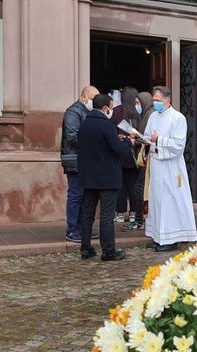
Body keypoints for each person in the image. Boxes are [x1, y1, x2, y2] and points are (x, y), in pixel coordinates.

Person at [77, 93, 133, 261]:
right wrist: (127, 142)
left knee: (87, 213)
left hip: (88, 177)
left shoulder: (85, 124)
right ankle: (108, 251)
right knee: (107, 216)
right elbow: (119, 149)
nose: (111, 110)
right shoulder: (107, 125)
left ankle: (85, 248)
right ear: (104, 108)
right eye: (110, 107)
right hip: (107, 178)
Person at [143, 86, 197, 252]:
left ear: (168, 100)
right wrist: (140, 139)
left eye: (158, 100)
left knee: (170, 202)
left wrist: (158, 139)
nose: (155, 103)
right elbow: (147, 135)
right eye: (154, 100)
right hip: (157, 165)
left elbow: (178, 145)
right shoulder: (153, 116)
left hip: (172, 167)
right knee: (157, 201)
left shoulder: (177, 118)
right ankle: (158, 236)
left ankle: (171, 238)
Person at [60, 85, 99, 243]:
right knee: (76, 195)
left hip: (84, 160)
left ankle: (83, 229)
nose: (94, 102)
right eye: (92, 99)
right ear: (83, 97)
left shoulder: (87, 111)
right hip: (75, 159)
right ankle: (72, 230)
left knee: (84, 196)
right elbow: (72, 136)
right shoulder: (73, 112)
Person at [125, 91, 154, 231]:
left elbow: (148, 140)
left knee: (139, 189)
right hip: (145, 157)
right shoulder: (144, 116)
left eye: (138, 103)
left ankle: (140, 219)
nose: (137, 106)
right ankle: (140, 219)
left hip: (147, 159)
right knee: (140, 189)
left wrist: (135, 139)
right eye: (135, 103)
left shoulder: (150, 115)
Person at [115, 86, 140, 224]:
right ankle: (133, 212)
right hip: (134, 154)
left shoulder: (116, 112)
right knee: (134, 185)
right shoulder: (137, 113)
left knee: (120, 185)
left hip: (120, 152)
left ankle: (120, 213)